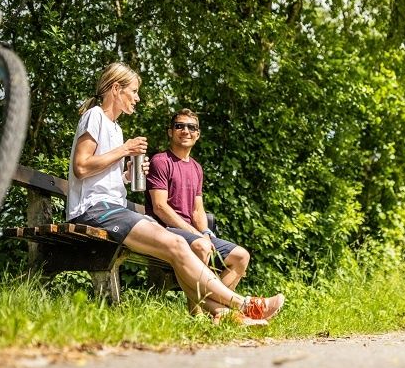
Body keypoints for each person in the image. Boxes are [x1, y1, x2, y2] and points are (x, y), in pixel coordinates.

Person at [65, 62, 284, 324]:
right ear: (115, 89)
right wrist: (125, 150)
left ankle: (224, 314)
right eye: (133, 91)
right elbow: (81, 167)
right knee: (180, 244)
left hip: (113, 208)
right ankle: (246, 305)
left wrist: (126, 176)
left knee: (179, 246)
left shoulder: (115, 127)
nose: (137, 97)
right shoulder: (95, 116)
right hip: (94, 210)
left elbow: (101, 176)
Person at [145, 109, 249, 292]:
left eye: (191, 127)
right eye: (180, 126)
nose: (186, 131)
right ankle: (198, 308)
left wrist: (206, 232)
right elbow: (160, 207)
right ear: (170, 132)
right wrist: (195, 233)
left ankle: (217, 306)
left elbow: (197, 210)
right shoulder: (160, 161)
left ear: (197, 134)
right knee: (201, 246)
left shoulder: (196, 168)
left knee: (241, 256)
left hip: (191, 234)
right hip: (163, 231)